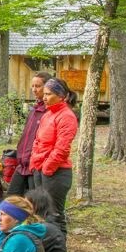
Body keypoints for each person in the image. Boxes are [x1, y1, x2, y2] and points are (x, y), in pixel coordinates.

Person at [29, 77, 79, 233]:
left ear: (61, 96)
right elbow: (38, 141)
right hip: (40, 168)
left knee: (54, 215)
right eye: (44, 94)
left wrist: (48, 167)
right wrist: (34, 162)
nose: (44, 97)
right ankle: (45, 249)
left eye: (49, 94)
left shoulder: (67, 116)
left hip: (56, 172)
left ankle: (58, 251)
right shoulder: (47, 115)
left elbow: (62, 147)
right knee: (40, 213)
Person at [8, 72, 51, 196]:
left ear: (47, 88)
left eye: (38, 86)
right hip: (22, 163)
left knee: (35, 204)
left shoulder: (48, 111)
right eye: (32, 86)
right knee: (11, 200)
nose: (34, 89)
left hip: (35, 165)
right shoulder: (34, 109)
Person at [25, 187, 67, 252]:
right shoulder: (39, 224)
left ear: (36, 206)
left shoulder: (45, 228)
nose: (23, 208)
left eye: (26, 205)